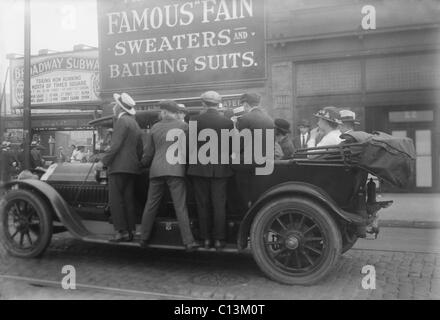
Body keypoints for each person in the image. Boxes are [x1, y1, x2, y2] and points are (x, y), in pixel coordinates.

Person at [139, 100, 199, 251]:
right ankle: (188, 241)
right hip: (176, 170)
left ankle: (143, 238)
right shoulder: (183, 126)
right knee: (180, 206)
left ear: (165, 112)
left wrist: (141, 164)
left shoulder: (155, 127)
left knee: (151, 204)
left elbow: (148, 153)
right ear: (175, 112)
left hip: (156, 170)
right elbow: (189, 151)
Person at [187, 91, 234, 250]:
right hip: (221, 170)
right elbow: (230, 147)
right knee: (219, 205)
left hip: (199, 169)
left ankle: (206, 239)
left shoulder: (194, 120)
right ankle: (219, 240)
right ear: (218, 104)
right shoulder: (227, 123)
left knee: (202, 205)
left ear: (203, 104)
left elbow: (190, 147)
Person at [98, 92, 143, 242]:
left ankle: (120, 231)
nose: (114, 107)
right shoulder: (135, 123)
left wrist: (103, 162)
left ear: (119, 107)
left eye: (115, 105)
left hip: (118, 167)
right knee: (128, 200)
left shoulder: (121, 122)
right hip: (132, 167)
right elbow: (139, 148)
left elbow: (115, 145)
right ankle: (131, 230)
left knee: (116, 200)